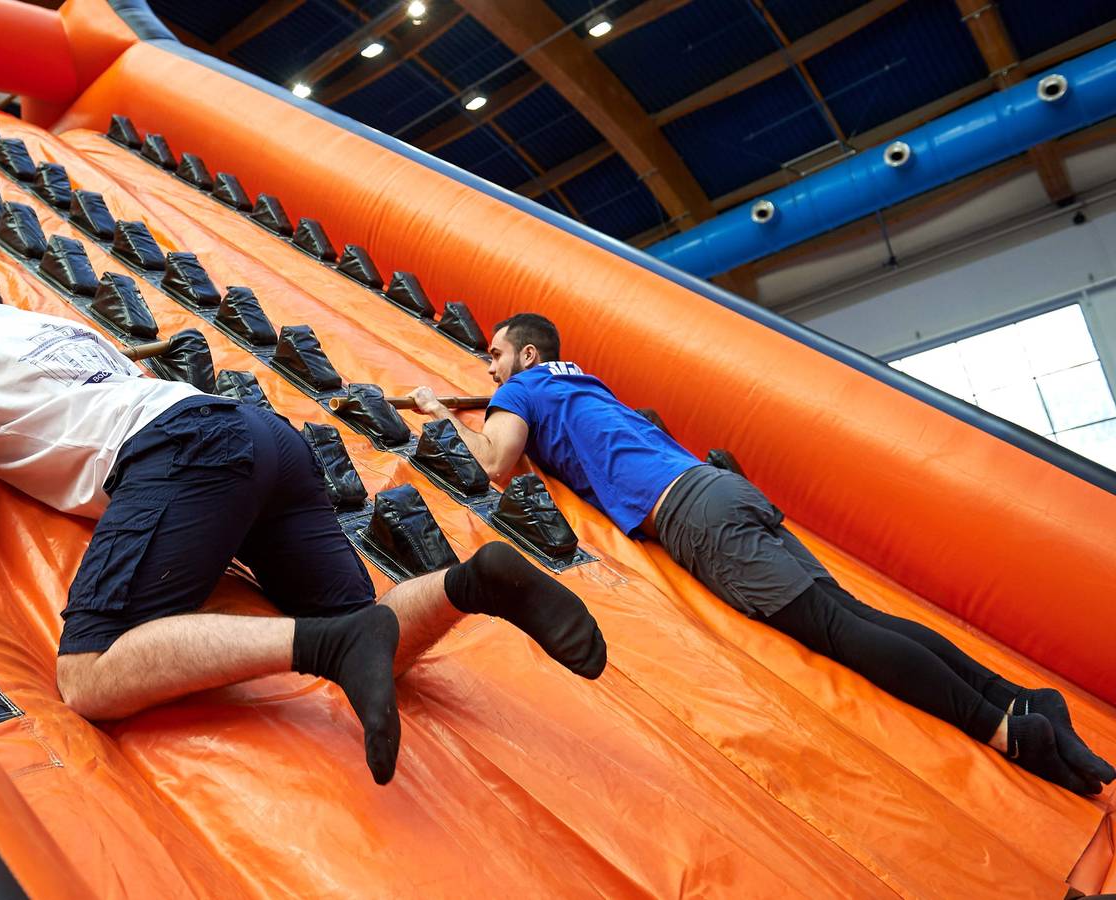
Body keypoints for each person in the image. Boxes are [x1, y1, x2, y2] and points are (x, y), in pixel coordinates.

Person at [0, 236, 608, 784]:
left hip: (182, 454)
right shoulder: (56, 326)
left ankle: (327, 644)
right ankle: (470, 583)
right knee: (381, 639)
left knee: (89, 676)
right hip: (257, 435)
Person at [410, 312, 1114, 796]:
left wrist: (441, 414)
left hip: (690, 513)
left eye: (495, 355)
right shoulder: (578, 381)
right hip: (721, 488)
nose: (489, 367)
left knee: (838, 631)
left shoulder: (523, 387)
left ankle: (1005, 732)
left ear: (527, 356)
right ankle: (1024, 699)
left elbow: (494, 463)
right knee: (856, 612)